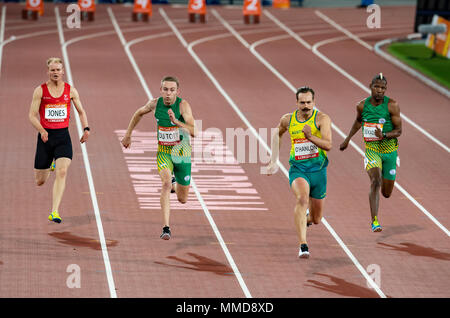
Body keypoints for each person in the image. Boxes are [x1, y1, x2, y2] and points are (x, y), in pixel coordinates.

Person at [121, 76, 196, 240]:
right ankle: (166, 227)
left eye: (172, 90)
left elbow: (193, 131)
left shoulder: (183, 105)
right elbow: (138, 113)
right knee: (165, 183)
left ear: (177, 91)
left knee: (182, 199)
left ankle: (175, 182)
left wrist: (176, 121)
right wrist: (128, 135)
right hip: (164, 152)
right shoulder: (155, 104)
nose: (168, 93)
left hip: (182, 153)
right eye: (165, 90)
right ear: (160, 90)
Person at [265, 86, 332, 258]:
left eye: (309, 102)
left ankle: (306, 219)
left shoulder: (322, 119)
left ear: (314, 102)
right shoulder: (288, 120)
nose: (306, 106)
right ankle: (303, 245)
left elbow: (328, 145)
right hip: (298, 169)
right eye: (302, 102)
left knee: (317, 219)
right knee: (302, 199)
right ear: (296, 103)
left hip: (319, 171)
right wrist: (273, 161)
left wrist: (310, 137)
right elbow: (276, 133)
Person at [28, 57, 90, 223]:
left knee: (63, 171)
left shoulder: (71, 90)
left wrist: (86, 128)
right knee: (40, 181)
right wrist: (41, 130)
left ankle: (54, 211)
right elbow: (32, 115)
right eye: (52, 70)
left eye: (58, 70)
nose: (55, 73)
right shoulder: (40, 91)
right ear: (48, 72)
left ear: (63, 71)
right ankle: (50, 165)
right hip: (45, 138)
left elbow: (81, 111)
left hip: (63, 137)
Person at [339, 73, 402, 232]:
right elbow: (359, 121)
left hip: (389, 151)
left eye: (383, 88)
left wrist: (385, 135)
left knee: (386, 193)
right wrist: (347, 139)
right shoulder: (361, 105)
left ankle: (384, 183)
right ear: (370, 87)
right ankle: (374, 221)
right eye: (377, 87)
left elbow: (399, 130)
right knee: (375, 180)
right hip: (372, 150)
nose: (380, 90)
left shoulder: (392, 105)